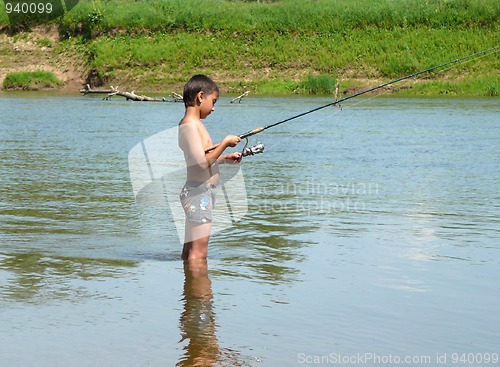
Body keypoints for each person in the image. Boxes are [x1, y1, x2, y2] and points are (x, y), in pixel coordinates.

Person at [178, 74, 241, 261]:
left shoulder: (193, 125)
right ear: (200, 97)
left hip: (200, 192)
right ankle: (201, 291)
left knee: (190, 251)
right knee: (199, 253)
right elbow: (200, 164)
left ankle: (190, 288)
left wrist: (224, 158)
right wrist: (225, 143)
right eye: (213, 102)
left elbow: (200, 159)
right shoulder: (189, 126)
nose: (213, 108)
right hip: (199, 193)